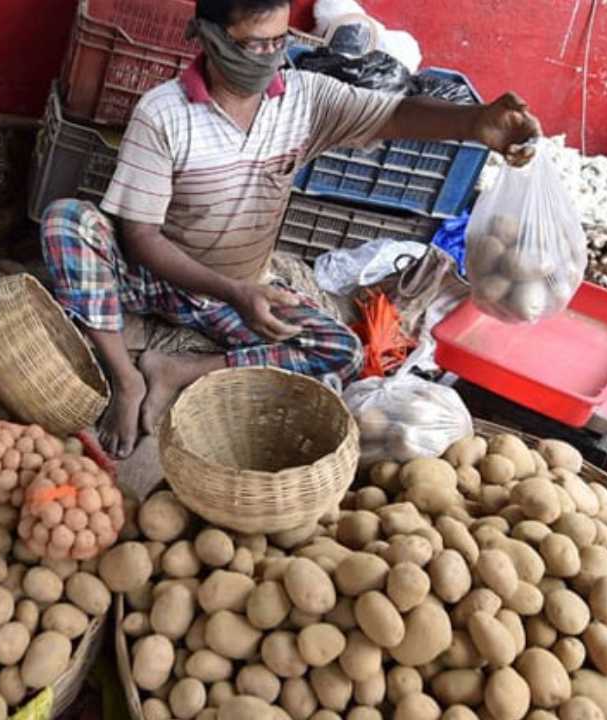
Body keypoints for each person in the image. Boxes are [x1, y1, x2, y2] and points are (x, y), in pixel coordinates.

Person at [42, 0, 542, 458]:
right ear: (208, 36)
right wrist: (232, 291)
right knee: (67, 220)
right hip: (158, 276)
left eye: (278, 42)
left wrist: (475, 122)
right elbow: (141, 237)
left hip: (237, 292)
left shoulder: (302, 99)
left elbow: (393, 114)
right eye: (250, 44)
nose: (266, 56)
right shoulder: (163, 113)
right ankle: (126, 377)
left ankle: (177, 370)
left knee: (340, 352)